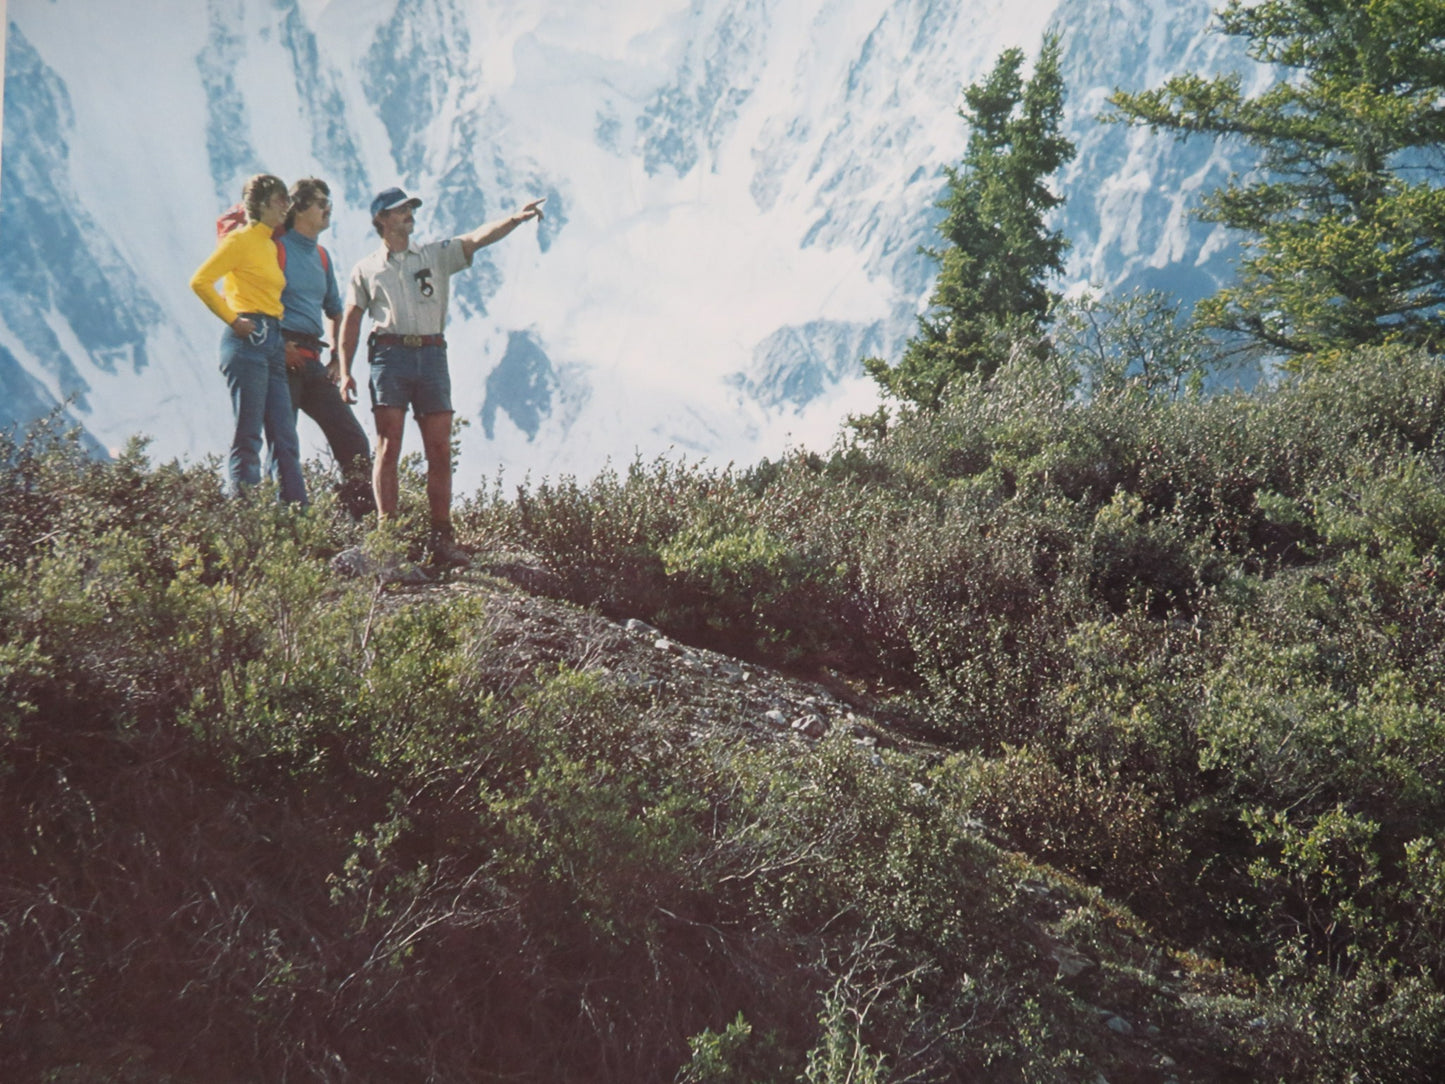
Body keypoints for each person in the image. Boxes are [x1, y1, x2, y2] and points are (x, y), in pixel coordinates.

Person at [339, 185, 544, 566]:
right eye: (400, 210)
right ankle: (388, 534)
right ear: (381, 219)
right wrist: (345, 370)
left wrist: (515, 218)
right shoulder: (366, 269)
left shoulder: (435, 254)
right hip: (389, 354)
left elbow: (476, 239)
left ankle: (441, 535)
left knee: (439, 447)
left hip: (432, 353)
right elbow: (351, 319)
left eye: (410, 209)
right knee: (389, 443)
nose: (409, 215)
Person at [189, 173, 307, 505]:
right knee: (249, 434)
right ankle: (245, 518)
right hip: (247, 339)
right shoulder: (240, 241)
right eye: (281, 200)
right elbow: (200, 281)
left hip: (270, 338)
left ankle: (297, 515)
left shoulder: (269, 244)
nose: (286, 206)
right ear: (266, 204)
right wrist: (232, 319)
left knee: (284, 435)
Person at [277, 177, 373, 519]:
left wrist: (336, 357)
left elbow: (334, 308)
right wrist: (277, 344)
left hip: (312, 359)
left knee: (352, 439)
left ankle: (361, 519)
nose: (327, 209)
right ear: (298, 208)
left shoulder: (321, 255)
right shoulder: (277, 247)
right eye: (320, 202)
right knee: (284, 445)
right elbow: (255, 301)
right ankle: (286, 524)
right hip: (280, 357)